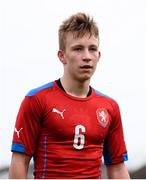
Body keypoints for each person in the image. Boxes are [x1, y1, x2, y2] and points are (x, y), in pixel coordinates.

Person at [9, 12, 130, 179]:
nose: (87, 57)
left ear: (99, 56)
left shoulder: (110, 107)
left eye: (92, 49)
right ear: (62, 56)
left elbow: (117, 168)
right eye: (78, 49)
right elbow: (19, 162)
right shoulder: (36, 99)